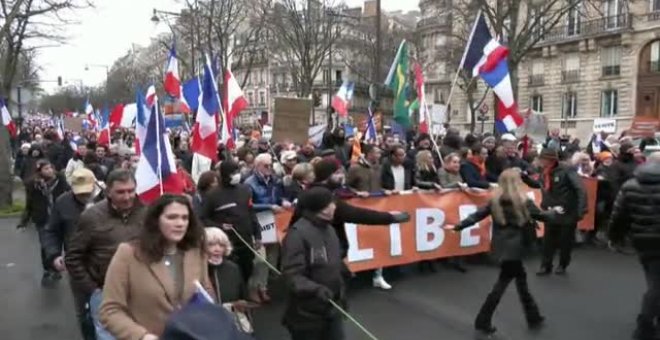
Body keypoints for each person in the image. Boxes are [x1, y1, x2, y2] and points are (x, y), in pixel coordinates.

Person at [449, 169, 561, 335]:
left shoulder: (495, 201)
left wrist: (458, 226)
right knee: (504, 285)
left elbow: (477, 216)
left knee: (519, 282)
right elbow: (542, 216)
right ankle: (484, 319)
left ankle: (532, 315)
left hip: (502, 247)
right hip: (516, 249)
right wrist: (555, 212)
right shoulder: (524, 201)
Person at [100, 194, 213, 340]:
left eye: (185, 218)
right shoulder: (128, 254)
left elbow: (206, 292)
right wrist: (142, 336)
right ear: (156, 221)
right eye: (172, 217)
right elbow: (110, 310)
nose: (180, 223)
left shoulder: (196, 251)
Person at [65, 169, 146, 340]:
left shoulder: (147, 214)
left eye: (131, 191)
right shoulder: (92, 217)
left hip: (141, 291)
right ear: (108, 191)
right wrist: (93, 290)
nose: (127, 197)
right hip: (104, 292)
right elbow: (73, 257)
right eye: (120, 192)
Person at [42, 168, 103, 340]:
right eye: (79, 193)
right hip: (77, 264)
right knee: (84, 311)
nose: (83, 196)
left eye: (87, 192)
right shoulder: (62, 202)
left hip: (108, 262)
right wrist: (54, 254)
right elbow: (50, 231)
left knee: (109, 310)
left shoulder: (107, 198)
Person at [281, 187, 346, 340]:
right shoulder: (297, 235)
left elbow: (331, 259)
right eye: (331, 203)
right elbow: (292, 276)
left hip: (331, 308)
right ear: (321, 208)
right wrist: (315, 289)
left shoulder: (330, 229)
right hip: (307, 315)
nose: (334, 206)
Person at [608, 152, 660, 340]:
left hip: (642, 240)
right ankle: (644, 326)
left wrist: (614, 237)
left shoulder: (630, 185)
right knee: (656, 285)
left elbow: (619, 214)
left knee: (653, 280)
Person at [202, 160, 262, 301]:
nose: (237, 175)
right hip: (226, 244)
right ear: (224, 174)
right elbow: (202, 218)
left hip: (246, 240)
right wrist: (219, 226)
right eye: (233, 173)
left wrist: (257, 234)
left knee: (248, 268)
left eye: (238, 172)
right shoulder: (212, 195)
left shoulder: (245, 190)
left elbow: (251, 213)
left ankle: (245, 295)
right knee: (230, 272)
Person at [527, 148, 587, 275]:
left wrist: (581, 209)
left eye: (542, 159)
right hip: (551, 211)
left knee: (565, 241)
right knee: (548, 240)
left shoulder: (567, 170)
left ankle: (562, 264)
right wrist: (524, 178)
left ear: (549, 159)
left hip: (567, 211)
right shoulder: (545, 172)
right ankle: (545, 265)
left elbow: (580, 188)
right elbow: (539, 185)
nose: (539, 161)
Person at [17, 159, 70, 286]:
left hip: (59, 216)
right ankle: (48, 269)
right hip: (43, 218)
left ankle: (59, 265)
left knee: (61, 242)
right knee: (46, 245)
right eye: (46, 169)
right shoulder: (33, 184)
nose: (50, 170)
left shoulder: (60, 180)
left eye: (50, 167)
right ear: (39, 171)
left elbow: (69, 193)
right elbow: (29, 203)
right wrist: (24, 220)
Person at [244, 153, 285, 303]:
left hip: (273, 220)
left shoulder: (274, 180)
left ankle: (263, 286)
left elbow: (278, 197)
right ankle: (254, 288)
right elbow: (248, 205)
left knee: (273, 256)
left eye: (271, 165)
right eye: (266, 165)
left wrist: (284, 201)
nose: (270, 168)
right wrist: (269, 206)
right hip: (258, 221)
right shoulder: (249, 183)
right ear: (258, 165)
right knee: (260, 259)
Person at [206, 227, 254, 334]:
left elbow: (243, 296)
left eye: (221, 245)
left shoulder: (233, 269)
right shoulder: (196, 270)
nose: (217, 249)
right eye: (211, 245)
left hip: (232, 325)